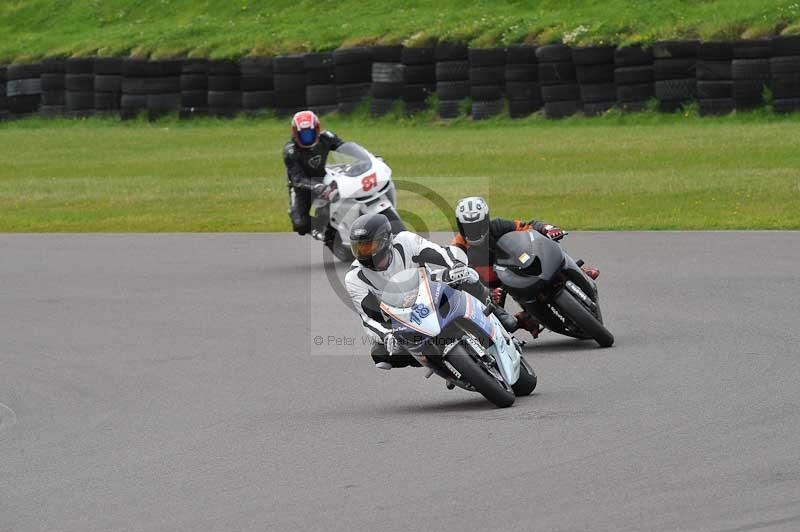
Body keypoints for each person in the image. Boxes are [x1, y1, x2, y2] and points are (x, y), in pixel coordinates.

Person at [344, 213, 519, 370]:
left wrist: (455, 267)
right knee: (380, 353)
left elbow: (439, 253)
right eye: (359, 248)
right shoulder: (355, 278)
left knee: (466, 277)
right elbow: (367, 319)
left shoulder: (405, 241)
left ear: (385, 240)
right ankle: (441, 366)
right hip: (402, 319)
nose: (364, 253)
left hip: (432, 290)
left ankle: (496, 312)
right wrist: (387, 334)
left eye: (368, 247)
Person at [451, 196, 599, 337]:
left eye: (477, 225)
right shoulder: (458, 246)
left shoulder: (498, 225)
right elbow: (454, 270)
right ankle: (526, 319)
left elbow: (527, 226)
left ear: (486, 221)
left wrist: (547, 228)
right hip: (492, 285)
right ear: (460, 225)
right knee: (500, 325)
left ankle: (579, 271)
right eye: (468, 227)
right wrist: (486, 291)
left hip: (515, 268)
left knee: (548, 243)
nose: (474, 231)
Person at [283, 110, 344, 235]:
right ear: (295, 132)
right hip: (301, 188)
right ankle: (321, 231)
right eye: (303, 134)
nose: (307, 138)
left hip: (324, 179)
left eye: (309, 133)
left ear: (317, 129)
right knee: (300, 225)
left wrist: (369, 158)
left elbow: (346, 148)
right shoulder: (290, 151)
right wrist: (316, 186)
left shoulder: (327, 137)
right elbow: (297, 179)